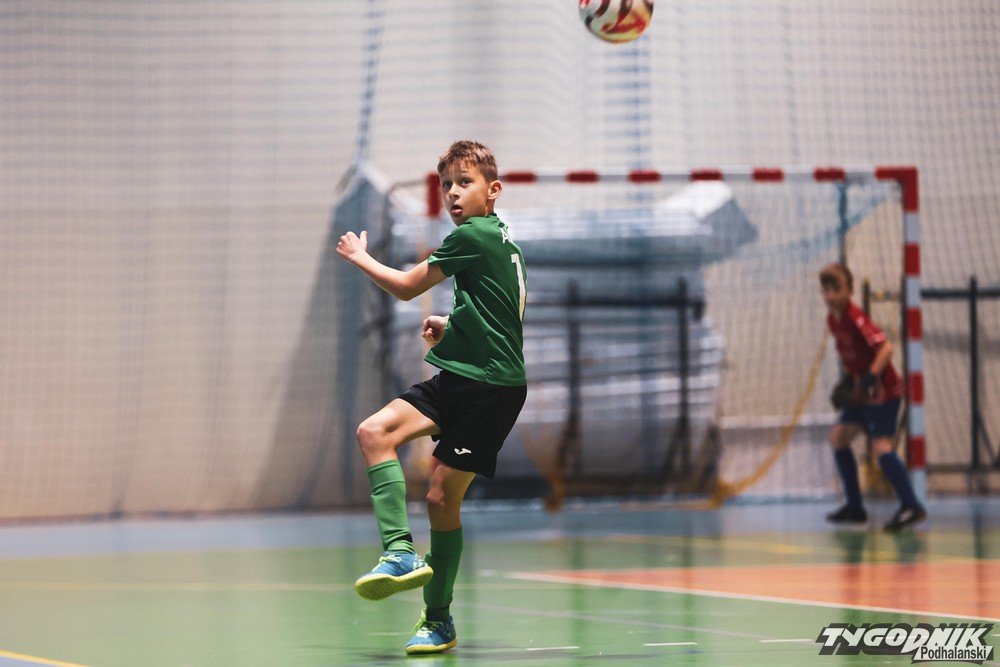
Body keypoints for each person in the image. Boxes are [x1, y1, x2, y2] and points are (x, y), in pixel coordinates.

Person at [335, 140, 527, 655]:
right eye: (446, 185)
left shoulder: (473, 235)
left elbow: (405, 287)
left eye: (464, 183)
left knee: (442, 500)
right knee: (374, 432)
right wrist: (453, 325)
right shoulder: (500, 239)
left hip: (491, 389)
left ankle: (438, 619)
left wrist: (360, 257)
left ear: (493, 190)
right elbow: (502, 311)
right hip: (461, 375)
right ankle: (400, 552)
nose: (453, 193)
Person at [820, 262, 926, 532]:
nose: (830, 295)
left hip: (883, 392)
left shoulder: (855, 317)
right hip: (863, 394)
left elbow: (886, 349)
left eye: (836, 289)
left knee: (882, 447)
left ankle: (911, 505)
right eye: (826, 290)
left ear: (850, 291)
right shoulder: (833, 320)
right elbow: (855, 356)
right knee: (838, 438)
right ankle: (855, 508)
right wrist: (850, 381)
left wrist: (869, 378)